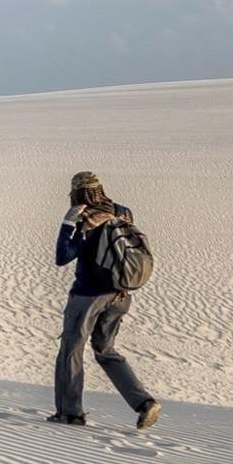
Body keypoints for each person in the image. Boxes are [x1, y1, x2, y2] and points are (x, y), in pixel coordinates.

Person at [52, 171, 161, 429]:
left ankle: (70, 413)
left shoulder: (85, 219)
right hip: (120, 295)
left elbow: (62, 256)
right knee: (105, 350)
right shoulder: (122, 211)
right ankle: (144, 402)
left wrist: (68, 225)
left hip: (88, 297)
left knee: (71, 350)